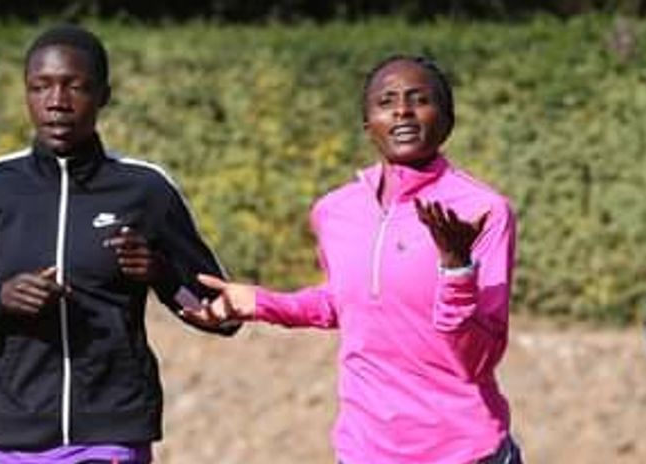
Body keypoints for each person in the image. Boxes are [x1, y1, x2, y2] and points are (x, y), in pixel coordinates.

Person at [0, 24, 238, 464]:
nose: (57, 102)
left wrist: (160, 273)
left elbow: (224, 314)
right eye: (39, 87)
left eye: (75, 87)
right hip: (13, 440)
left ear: (104, 95)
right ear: (26, 93)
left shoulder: (145, 189)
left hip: (111, 432)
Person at [183, 55, 522, 463]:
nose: (402, 110)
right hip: (365, 449)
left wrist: (457, 268)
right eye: (387, 101)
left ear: (447, 120)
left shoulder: (481, 210)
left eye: (419, 99)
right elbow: (342, 301)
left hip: (464, 451)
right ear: (368, 126)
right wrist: (258, 302)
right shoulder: (335, 211)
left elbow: (477, 359)